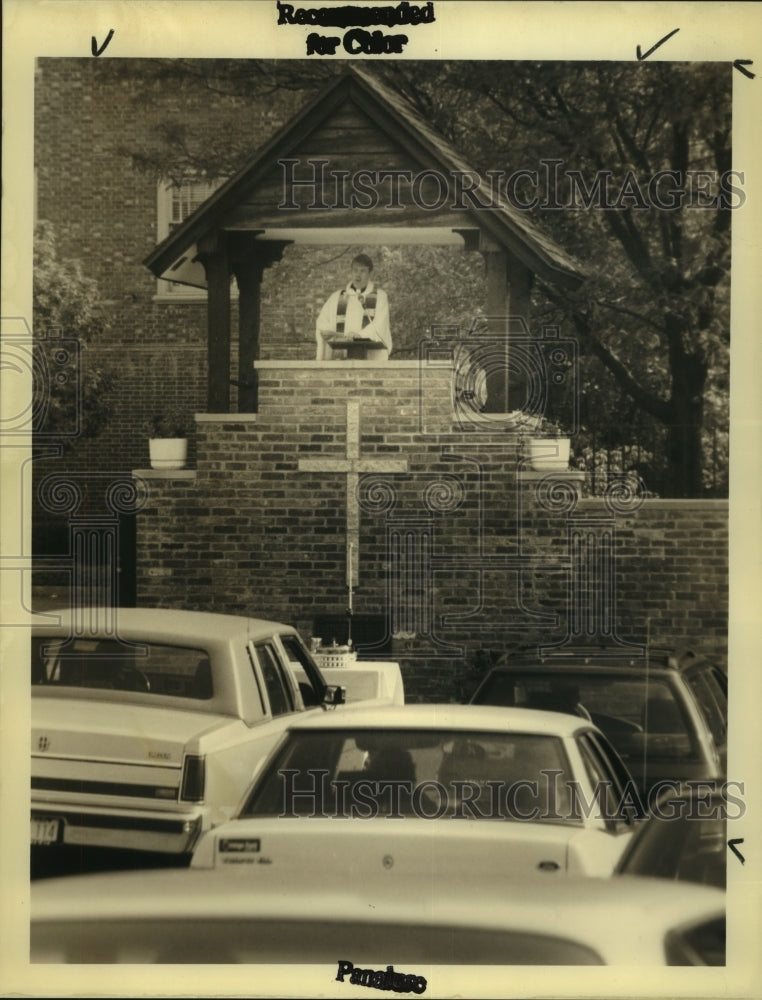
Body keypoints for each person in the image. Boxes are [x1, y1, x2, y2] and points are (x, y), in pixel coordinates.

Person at [315, 254, 392, 361]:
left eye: (362, 271)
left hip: (368, 359)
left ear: (370, 273)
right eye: (355, 270)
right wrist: (328, 332)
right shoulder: (336, 297)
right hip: (340, 360)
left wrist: (359, 335)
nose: (358, 275)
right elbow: (322, 322)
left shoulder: (379, 297)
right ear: (351, 272)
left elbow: (380, 323)